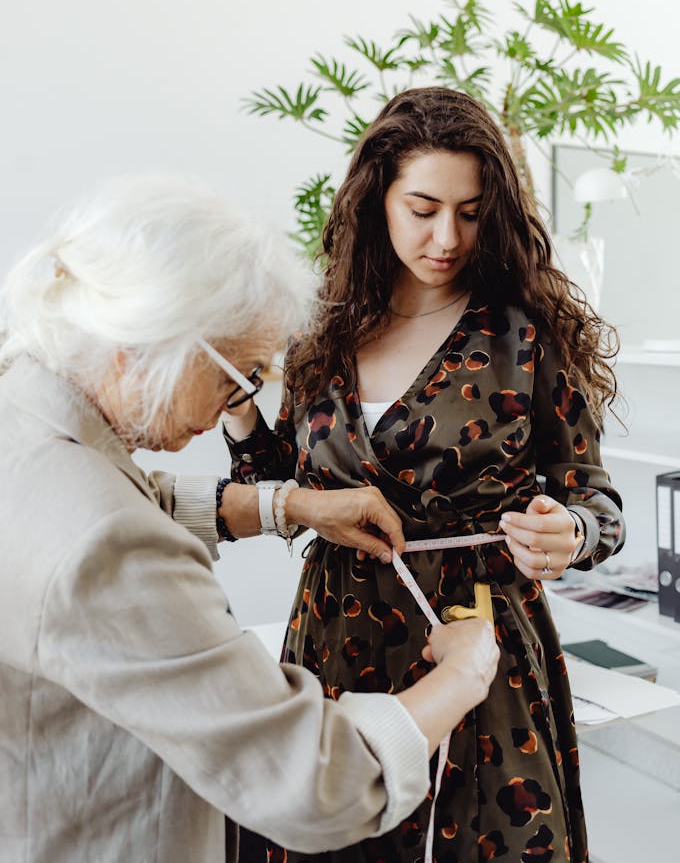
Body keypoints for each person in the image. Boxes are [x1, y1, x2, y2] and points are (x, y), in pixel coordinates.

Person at [0, 176, 500, 863]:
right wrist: (462, 679)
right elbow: (314, 784)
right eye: (238, 375)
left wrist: (288, 504)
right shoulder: (105, 538)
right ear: (153, 342)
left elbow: (131, 494)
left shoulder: (21, 405)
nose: (234, 403)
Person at [221, 88, 626, 863]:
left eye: (472, 212)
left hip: (474, 647)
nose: (448, 237)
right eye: (424, 207)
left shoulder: (526, 334)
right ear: (377, 198)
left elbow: (596, 500)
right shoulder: (323, 329)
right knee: (328, 822)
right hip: (335, 639)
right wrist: (239, 412)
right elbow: (282, 485)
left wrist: (570, 532)